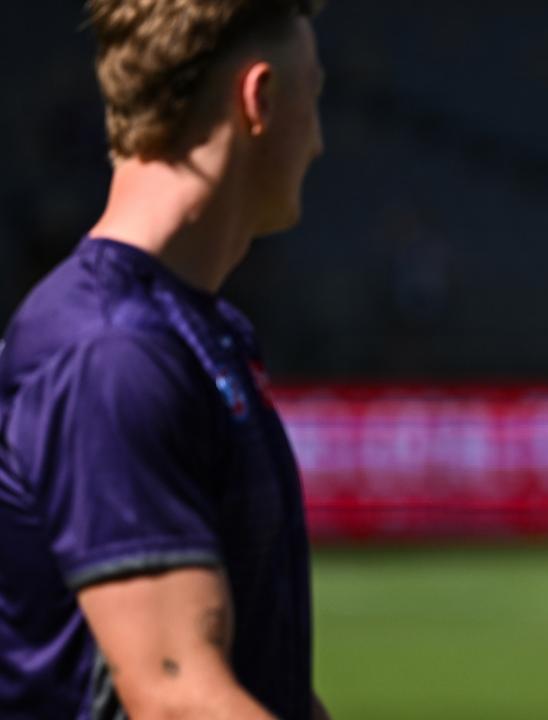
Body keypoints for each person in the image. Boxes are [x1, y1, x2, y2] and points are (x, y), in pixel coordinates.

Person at [0, 1, 328, 717]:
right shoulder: (111, 349)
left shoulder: (205, 333)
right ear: (260, 99)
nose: (319, 143)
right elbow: (177, 695)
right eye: (315, 99)